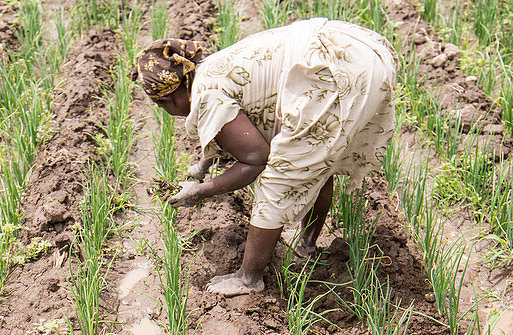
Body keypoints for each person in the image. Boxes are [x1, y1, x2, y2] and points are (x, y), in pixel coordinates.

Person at [134, 19, 397, 295]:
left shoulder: (206, 97)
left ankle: (249, 278)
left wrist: (200, 191)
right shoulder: (209, 69)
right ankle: (305, 245)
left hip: (336, 71)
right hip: (355, 50)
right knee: (317, 159)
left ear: (169, 99)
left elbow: (256, 159)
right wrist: (204, 163)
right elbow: (239, 125)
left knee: (280, 176)